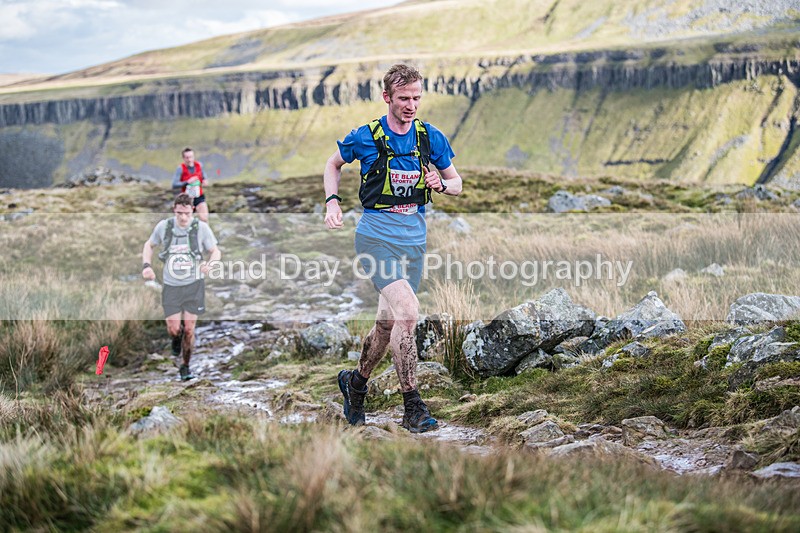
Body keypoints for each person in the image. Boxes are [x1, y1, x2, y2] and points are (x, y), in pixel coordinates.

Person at [323, 64, 463, 433]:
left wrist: (441, 183)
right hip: (375, 239)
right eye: (404, 98)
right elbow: (332, 164)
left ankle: (355, 383)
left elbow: (457, 182)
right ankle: (412, 405)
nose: (411, 105)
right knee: (408, 312)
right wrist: (333, 201)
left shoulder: (430, 137)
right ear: (387, 97)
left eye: (417, 97)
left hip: (413, 242)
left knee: (386, 325)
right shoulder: (365, 136)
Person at [142, 193, 221, 381]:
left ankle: (185, 366)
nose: (183, 218)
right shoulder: (164, 227)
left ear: (192, 210)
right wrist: (146, 266)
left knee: (189, 330)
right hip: (171, 286)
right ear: (174, 211)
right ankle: (175, 339)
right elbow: (149, 245)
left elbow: (215, 251)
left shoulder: (201, 228)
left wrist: (210, 265)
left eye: (186, 213)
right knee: (174, 329)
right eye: (179, 213)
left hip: (194, 285)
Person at [172, 147, 210, 223]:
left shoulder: (199, 165)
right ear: (183, 158)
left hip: (199, 196)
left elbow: (204, 176)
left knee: (204, 218)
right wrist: (187, 182)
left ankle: (205, 234)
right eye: (187, 157)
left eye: (191, 157)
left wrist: (205, 180)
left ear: (194, 156)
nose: (189, 159)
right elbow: (174, 184)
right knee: (185, 220)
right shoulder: (180, 168)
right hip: (186, 198)